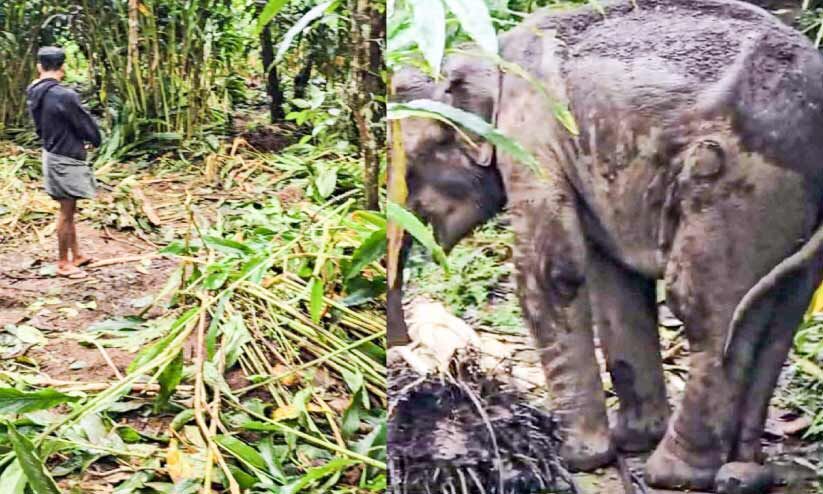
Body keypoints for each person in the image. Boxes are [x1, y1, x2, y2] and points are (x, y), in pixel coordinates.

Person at [26, 46, 102, 278]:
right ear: (63, 67)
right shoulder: (63, 95)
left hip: (52, 152)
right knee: (66, 212)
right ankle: (63, 263)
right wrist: (95, 139)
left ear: (39, 66)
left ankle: (76, 255)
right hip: (65, 158)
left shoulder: (35, 91)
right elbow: (84, 123)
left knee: (69, 208)